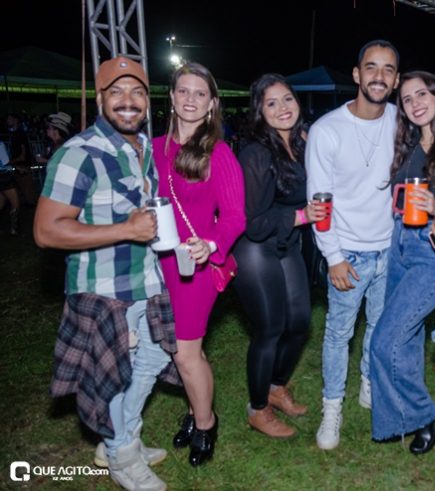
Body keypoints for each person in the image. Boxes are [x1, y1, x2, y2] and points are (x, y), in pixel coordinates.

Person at [34, 56, 177, 491]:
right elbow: (46, 231)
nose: (128, 101)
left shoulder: (143, 149)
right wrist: (125, 230)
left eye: (137, 92)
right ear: (100, 99)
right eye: (116, 92)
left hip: (146, 281)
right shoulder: (79, 154)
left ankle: (122, 436)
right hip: (103, 290)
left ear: (148, 101)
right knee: (113, 375)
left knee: (156, 357)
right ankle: (122, 456)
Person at [369, 71, 435, 454]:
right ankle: (408, 419)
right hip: (399, 242)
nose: (415, 103)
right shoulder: (407, 143)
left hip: (433, 249)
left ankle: (424, 413)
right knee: (408, 338)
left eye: (422, 94)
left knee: (385, 340)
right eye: (407, 98)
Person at [306, 39, 399, 450]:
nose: (379, 76)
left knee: (380, 327)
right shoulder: (327, 130)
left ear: (396, 80)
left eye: (388, 69)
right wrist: (334, 256)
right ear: (358, 74)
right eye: (372, 67)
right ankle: (332, 408)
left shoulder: (401, 121)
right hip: (349, 254)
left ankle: (368, 383)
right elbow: (319, 201)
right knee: (338, 334)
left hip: (391, 250)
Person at [154, 62, 246, 466]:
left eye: (200, 93)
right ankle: (195, 411)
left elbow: (235, 216)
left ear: (212, 104)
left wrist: (210, 245)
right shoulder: (153, 148)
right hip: (156, 264)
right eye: (183, 91)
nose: (190, 99)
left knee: (184, 353)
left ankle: (206, 425)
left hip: (195, 265)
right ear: (171, 97)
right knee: (189, 351)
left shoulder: (218, 153)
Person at [233, 73, 325, 439]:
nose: (282, 108)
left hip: (285, 243)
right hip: (255, 248)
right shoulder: (256, 152)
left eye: (287, 99)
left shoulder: (301, 143)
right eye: (271, 103)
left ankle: (275, 386)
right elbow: (254, 223)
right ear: (260, 110)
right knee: (270, 329)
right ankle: (257, 409)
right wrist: (302, 216)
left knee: (300, 322)